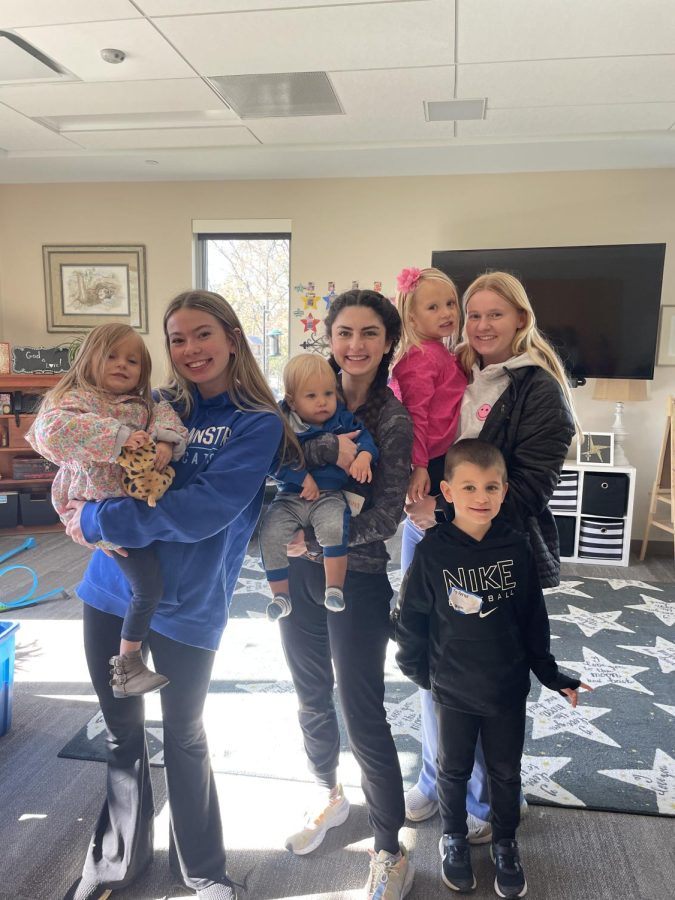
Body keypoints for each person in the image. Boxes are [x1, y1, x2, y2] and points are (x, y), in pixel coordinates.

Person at [60, 290, 299, 900]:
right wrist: (78, 510)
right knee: (120, 731)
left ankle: (204, 870)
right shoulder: (152, 404)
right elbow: (77, 455)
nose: (189, 349)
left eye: (202, 334)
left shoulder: (258, 422)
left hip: (191, 604)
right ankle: (115, 860)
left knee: (185, 734)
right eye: (176, 339)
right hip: (111, 592)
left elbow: (199, 513)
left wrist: (95, 523)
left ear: (232, 338)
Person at [404, 271, 580, 840]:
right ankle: (436, 776)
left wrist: (451, 517)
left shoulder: (538, 389)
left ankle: (487, 795)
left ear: (522, 320)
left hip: (489, 548)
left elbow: (529, 490)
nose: (479, 325)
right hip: (428, 533)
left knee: (485, 674)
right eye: (472, 313)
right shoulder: (451, 368)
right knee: (436, 669)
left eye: (494, 314)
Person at [395, 439, 589, 898]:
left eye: (490, 487)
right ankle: (454, 839)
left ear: (503, 492)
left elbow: (532, 619)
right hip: (453, 690)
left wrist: (550, 673)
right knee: (453, 769)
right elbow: (412, 618)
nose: (481, 497)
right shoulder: (433, 552)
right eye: (469, 487)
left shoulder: (517, 548)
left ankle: (505, 843)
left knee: (505, 772)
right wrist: (419, 671)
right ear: (447, 491)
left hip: (505, 688)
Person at [278, 290, 415, 900]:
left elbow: (387, 515)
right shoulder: (300, 400)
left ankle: (390, 846)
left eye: (369, 333)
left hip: (354, 577)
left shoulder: (392, 418)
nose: (355, 345)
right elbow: (274, 460)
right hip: (297, 575)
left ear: (387, 343)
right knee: (309, 695)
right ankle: (329, 796)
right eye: (343, 332)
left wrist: (313, 540)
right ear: (328, 338)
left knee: (362, 711)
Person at [27, 323, 188, 697]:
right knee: (149, 587)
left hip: (131, 508)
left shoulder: (145, 402)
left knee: (150, 582)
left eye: (132, 360)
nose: (122, 365)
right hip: (94, 506)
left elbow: (166, 420)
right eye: (112, 356)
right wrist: (117, 437)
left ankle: (130, 660)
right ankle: (127, 665)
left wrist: (165, 444)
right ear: (89, 360)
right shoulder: (74, 398)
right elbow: (51, 431)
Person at [259, 352, 378, 621]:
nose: (323, 402)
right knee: (271, 532)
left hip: (329, 497)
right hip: (290, 497)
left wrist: (365, 456)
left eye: (328, 393)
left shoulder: (342, 419)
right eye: (311, 396)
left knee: (335, 527)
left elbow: (365, 438)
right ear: (292, 400)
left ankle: (334, 589)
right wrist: (301, 477)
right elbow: (270, 460)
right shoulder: (281, 422)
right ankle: (280, 596)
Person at [389, 265, 467, 503]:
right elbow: (415, 415)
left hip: (444, 454)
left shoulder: (438, 350)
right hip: (432, 460)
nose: (446, 313)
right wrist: (419, 465)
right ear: (411, 316)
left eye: (450, 304)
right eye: (433, 307)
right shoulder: (420, 359)